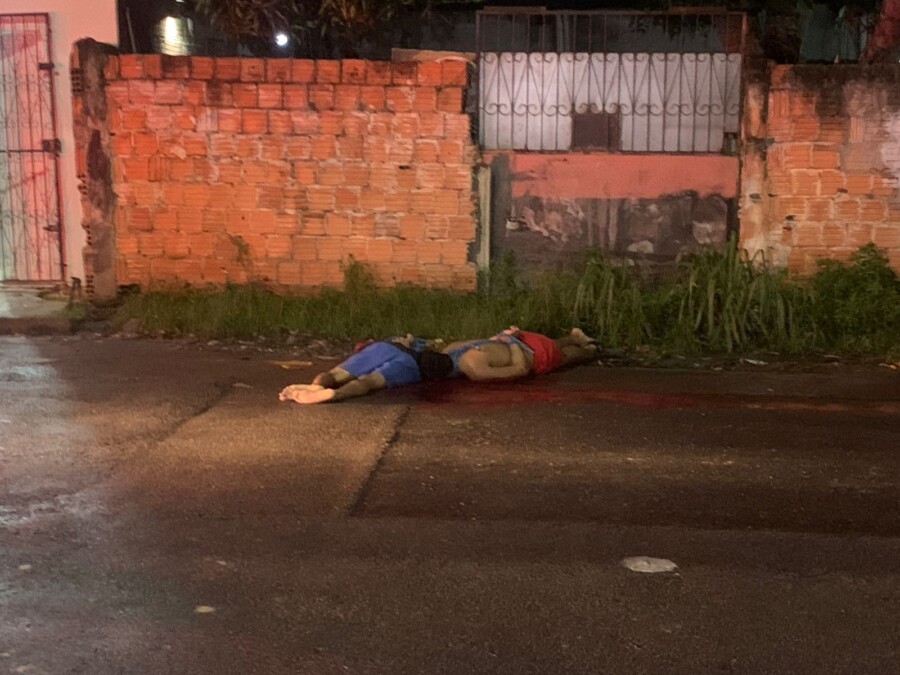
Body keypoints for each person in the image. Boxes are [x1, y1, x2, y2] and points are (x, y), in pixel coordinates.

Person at [279, 334, 453, 405]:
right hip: (411, 364)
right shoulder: (437, 358)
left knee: (335, 374)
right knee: (369, 381)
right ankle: (336, 394)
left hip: (384, 347)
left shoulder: (390, 342)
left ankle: (316, 386)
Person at [443, 326, 598, 382]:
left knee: (564, 357)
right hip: (519, 339)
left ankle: (591, 352)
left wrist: (513, 342)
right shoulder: (451, 348)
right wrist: (507, 337)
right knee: (552, 343)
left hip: (531, 354)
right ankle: (574, 337)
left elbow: (521, 369)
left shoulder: (475, 369)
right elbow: (485, 342)